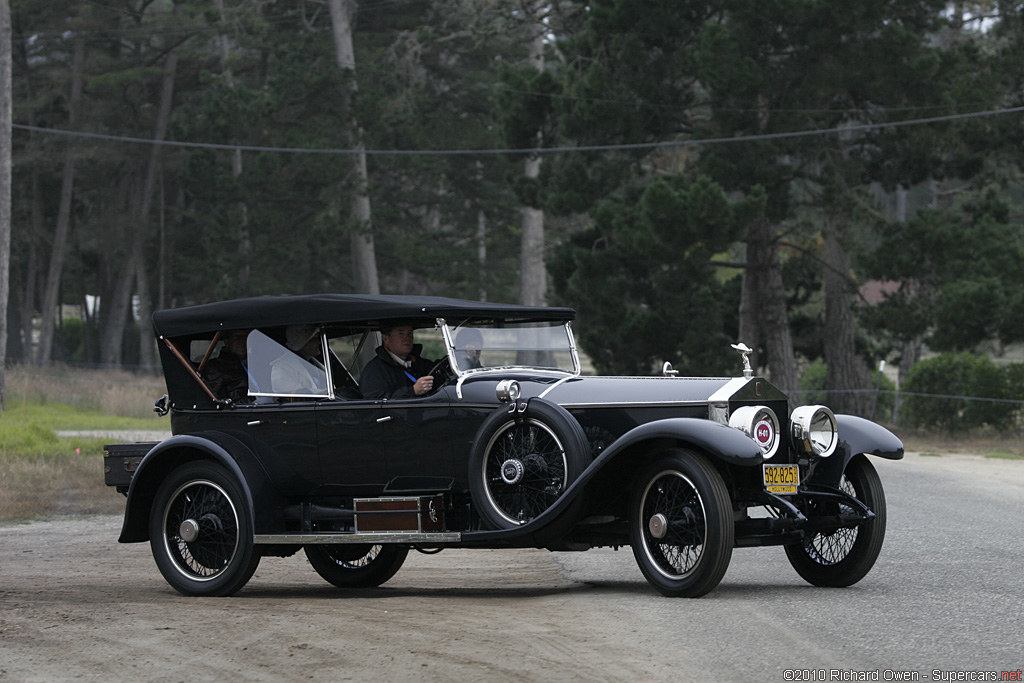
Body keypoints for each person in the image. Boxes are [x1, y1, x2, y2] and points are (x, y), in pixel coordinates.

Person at [359, 322, 435, 399]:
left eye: (410, 333)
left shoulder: (417, 362)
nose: (407, 338)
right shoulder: (374, 370)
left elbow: (437, 369)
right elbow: (375, 404)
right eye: (401, 334)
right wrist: (413, 391)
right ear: (385, 338)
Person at [270, 324, 328, 395]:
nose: (318, 342)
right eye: (313, 339)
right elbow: (294, 396)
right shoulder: (281, 367)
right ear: (301, 342)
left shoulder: (314, 364)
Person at [202, 329, 252, 403]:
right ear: (226, 342)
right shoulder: (215, 367)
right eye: (236, 337)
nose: (241, 341)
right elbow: (214, 399)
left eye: (245, 337)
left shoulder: (257, 362)